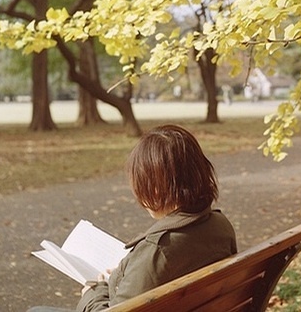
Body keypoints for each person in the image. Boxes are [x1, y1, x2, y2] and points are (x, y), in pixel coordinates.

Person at [27, 124, 237, 312]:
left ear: (155, 189)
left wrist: (93, 293)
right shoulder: (219, 225)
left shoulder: (158, 251)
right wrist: (122, 276)